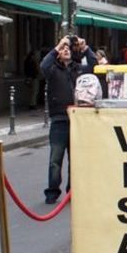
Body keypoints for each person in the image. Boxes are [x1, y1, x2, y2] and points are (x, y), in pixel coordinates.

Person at [40, 36, 97, 204]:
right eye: (63, 49)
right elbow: (43, 66)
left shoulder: (77, 69)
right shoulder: (52, 70)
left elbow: (94, 66)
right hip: (59, 119)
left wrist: (85, 47)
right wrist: (57, 46)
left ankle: (72, 190)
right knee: (55, 159)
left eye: (68, 48)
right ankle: (52, 191)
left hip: (77, 119)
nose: (66, 50)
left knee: (75, 158)